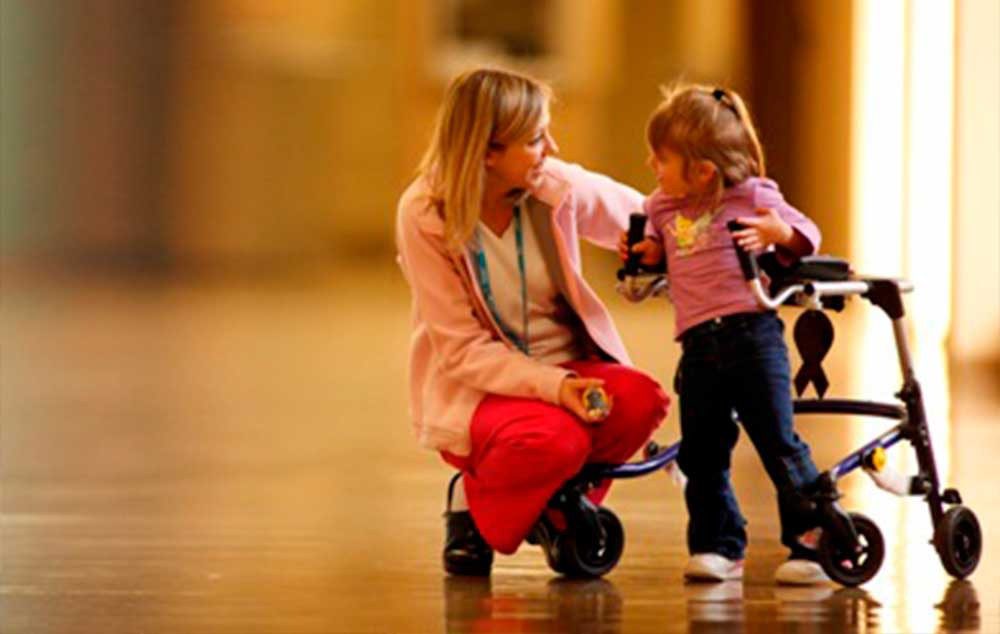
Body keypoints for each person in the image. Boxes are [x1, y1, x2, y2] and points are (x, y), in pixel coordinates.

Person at [396, 67, 670, 576]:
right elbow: (461, 350)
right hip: (481, 388)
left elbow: (650, 215)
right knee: (553, 440)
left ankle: (552, 503)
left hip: (565, 368)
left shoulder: (551, 186)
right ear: (486, 153)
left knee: (640, 400)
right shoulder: (423, 214)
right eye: (535, 138)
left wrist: (671, 244)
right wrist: (555, 387)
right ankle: (474, 504)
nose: (552, 147)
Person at [618, 82, 827, 585]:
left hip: (752, 337)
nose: (652, 167)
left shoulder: (752, 195)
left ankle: (813, 538)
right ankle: (717, 544)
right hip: (697, 345)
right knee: (703, 450)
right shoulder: (664, 206)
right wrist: (648, 253)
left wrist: (779, 234)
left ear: (704, 169)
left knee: (778, 441)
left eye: (661, 158)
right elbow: (663, 246)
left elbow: (808, 234)